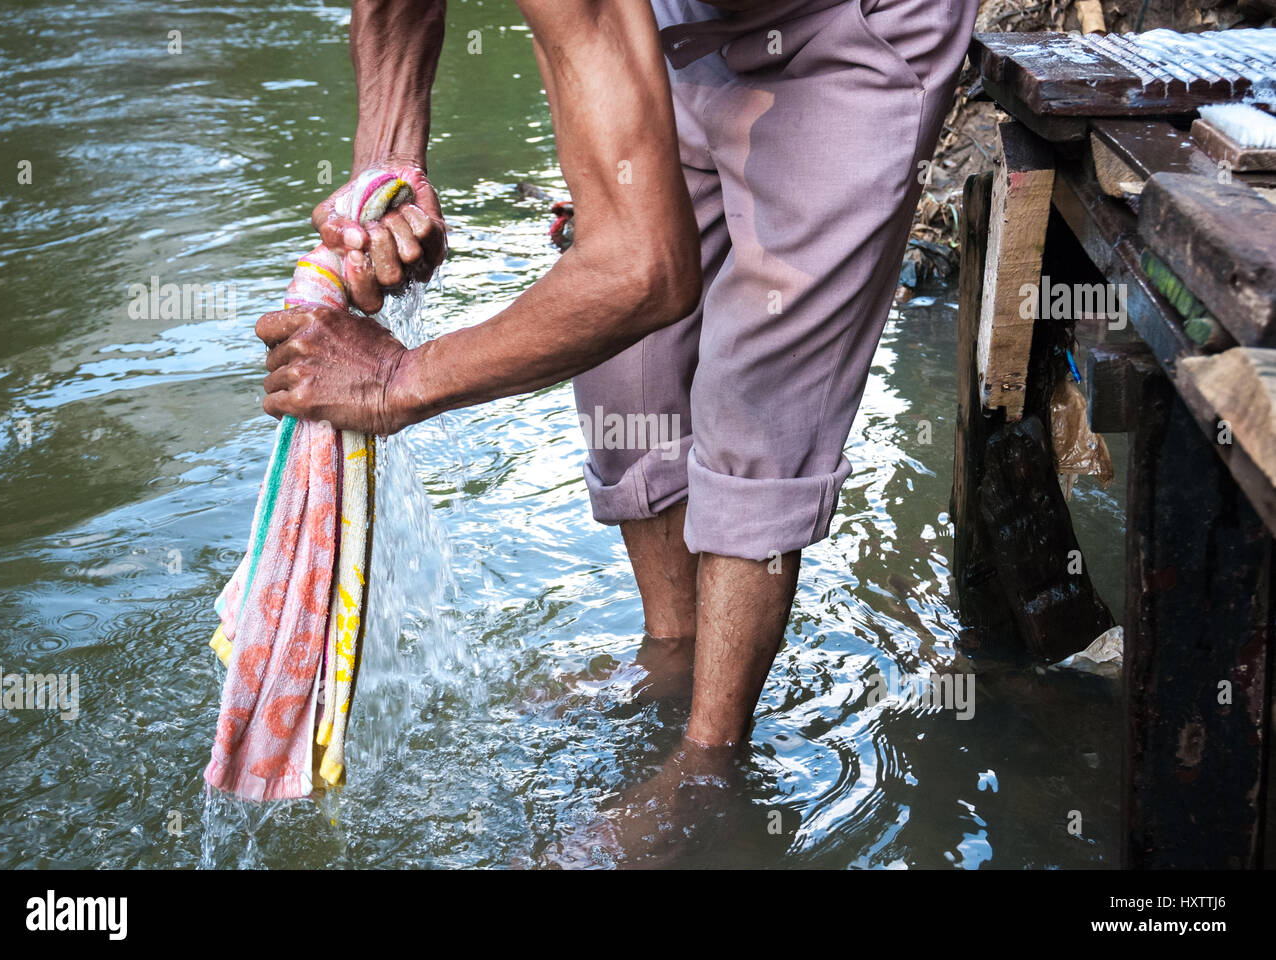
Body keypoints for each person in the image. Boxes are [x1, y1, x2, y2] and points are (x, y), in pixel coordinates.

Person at [256, 0, 976, 865]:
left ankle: (710, 759)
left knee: (756, 390)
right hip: (681, 19)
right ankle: (672, 649)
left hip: (848, 26)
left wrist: (399, 378)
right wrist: (386, 167)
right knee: (625, 376)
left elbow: (645, 270)